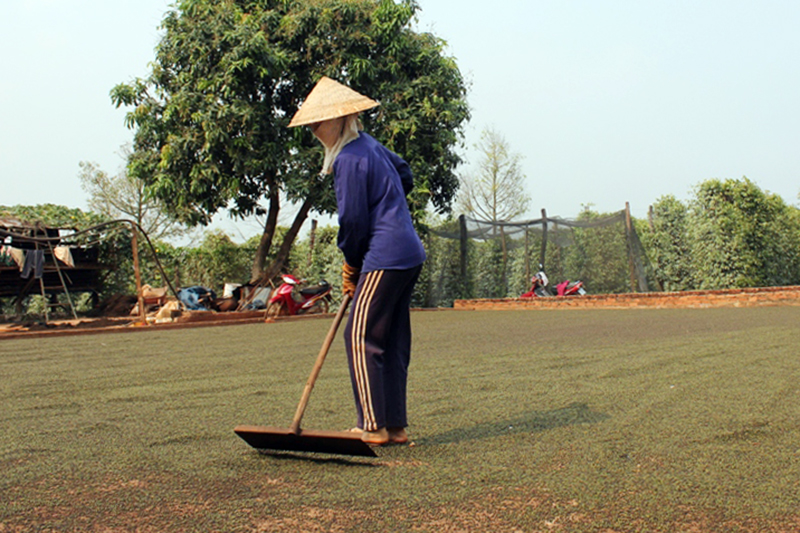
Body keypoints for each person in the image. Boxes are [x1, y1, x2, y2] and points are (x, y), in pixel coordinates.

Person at [289, 76, 426, 446]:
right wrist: (392, 205)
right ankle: (395, 426)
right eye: (311, 124)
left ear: (340, 118)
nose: (314, 129)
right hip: (408, 253)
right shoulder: (371, 147)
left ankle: (372, 426)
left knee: (359, 334)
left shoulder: (348, 159)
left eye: (318, 122)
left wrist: (351, 265)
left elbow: (353, 222)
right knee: (392, 336)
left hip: (384, 256)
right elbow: (405, 173)